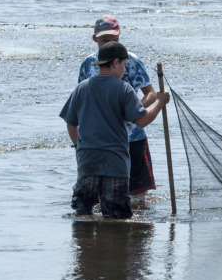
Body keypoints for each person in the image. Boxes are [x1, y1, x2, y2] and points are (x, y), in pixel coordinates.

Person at [61, 41, 169, 219]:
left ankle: (84, 247)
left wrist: (79, 147)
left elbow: (71, 123)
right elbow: (141, 121)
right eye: (124, 65)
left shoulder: (82, 88)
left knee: (83, 215)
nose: (124, 70)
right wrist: (159, 102)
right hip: (115, 165)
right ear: (115, 63)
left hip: (87, 164)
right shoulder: (123, 89)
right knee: (116, 219)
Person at [79, 15, 158, 197]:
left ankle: (139, 224)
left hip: (132, 136)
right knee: (102, 193)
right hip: (101, 140)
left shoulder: (131, 60)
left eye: (114, 40)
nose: (109, 45)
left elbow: (151, 93)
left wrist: (131, 111)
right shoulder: (88, 64)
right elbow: (83, 100)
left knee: (138, 195)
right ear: (95, 39)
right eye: (105, 40)